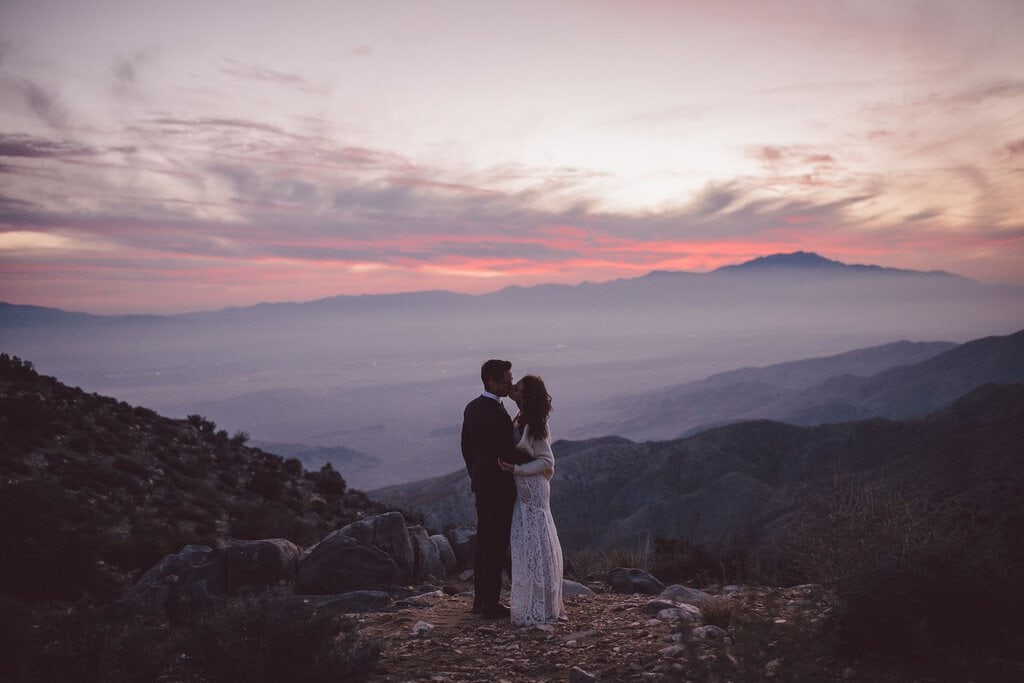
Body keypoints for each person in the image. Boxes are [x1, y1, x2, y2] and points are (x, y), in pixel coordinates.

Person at [461, 359, 531, 618]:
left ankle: (480, 601)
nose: (510, 385)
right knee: (496, 544)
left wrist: (475, 476)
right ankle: (490, 604)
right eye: (506, 381)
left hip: (481, 485)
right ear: (491, 382)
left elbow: (466, 447)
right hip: (499, 487)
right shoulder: (494, 412)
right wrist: (534, 461)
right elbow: (506, 452)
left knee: (484, 543)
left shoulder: (472, 407)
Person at [498, 374, 566, 626]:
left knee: (536, 542)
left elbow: (547, 461)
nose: (512, 389)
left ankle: (541, 605)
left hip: (533, 490)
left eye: (517, 388)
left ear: (527, 395)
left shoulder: (536, 423)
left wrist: (515, 469)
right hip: (525, 489)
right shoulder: (523, 417)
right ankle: (535, 601)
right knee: (530, 544)